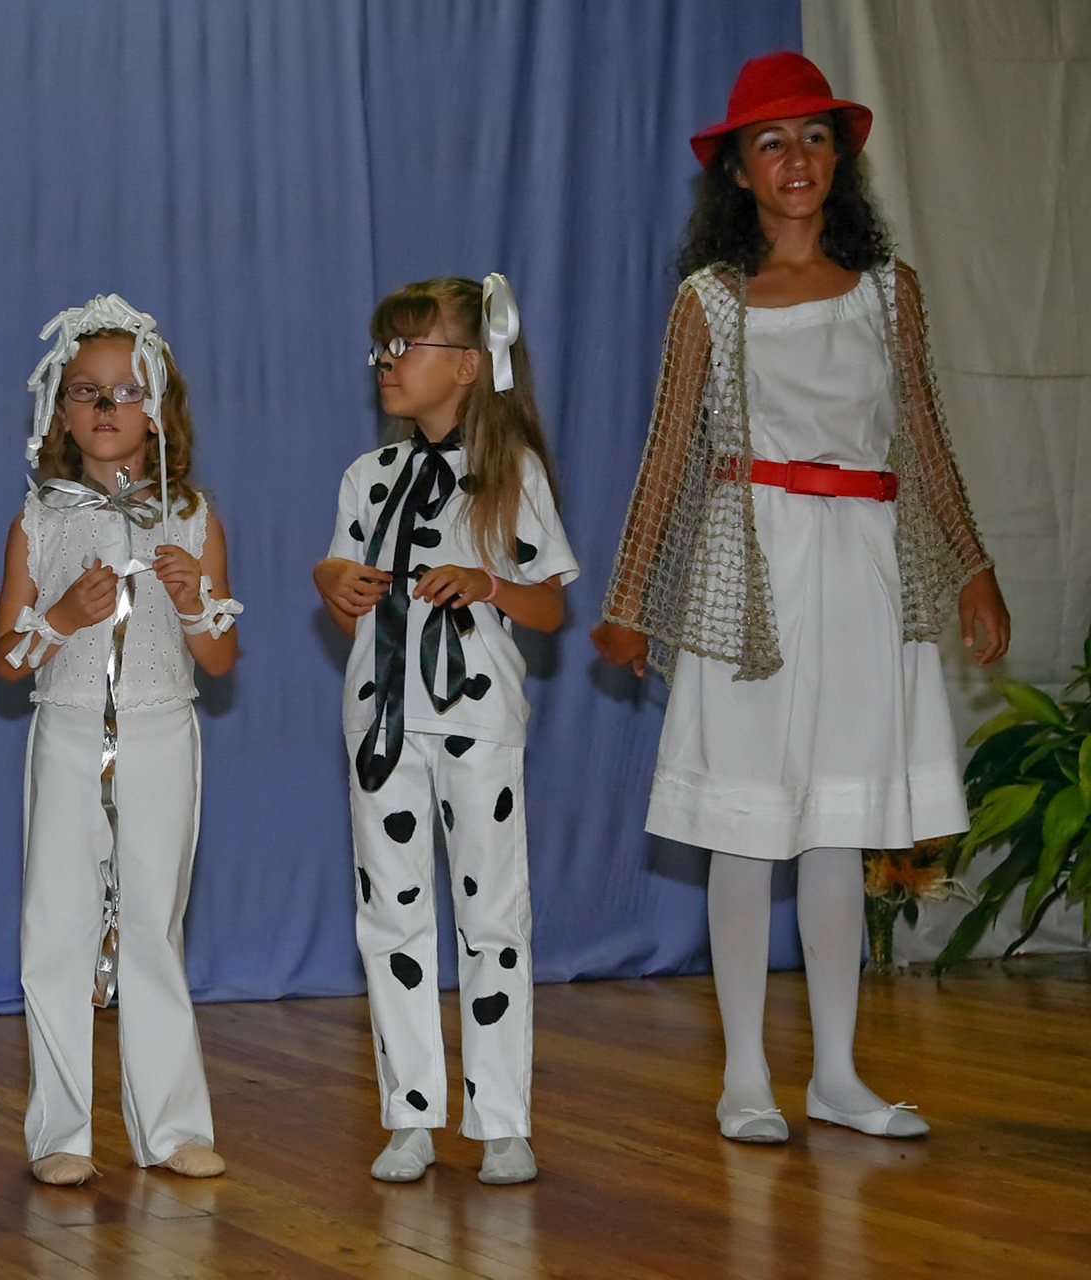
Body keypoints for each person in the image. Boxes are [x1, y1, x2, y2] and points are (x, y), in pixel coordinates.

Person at [591, 52, 1011, 1143]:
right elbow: (669, 453)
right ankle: (742, 1073)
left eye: (815, 138)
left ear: (842, 159)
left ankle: (836, 1071)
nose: (796, 160)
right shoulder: (711, 305)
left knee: (836, 825)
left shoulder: (887, 294)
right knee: (746, 822)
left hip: (865, 569)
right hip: (751, 573)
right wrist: (633, 593)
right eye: (771, 142)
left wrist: (970, 563)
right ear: (737, 169)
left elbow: (921, 432)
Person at [314, 274, 576, 1185]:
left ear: (467, 367)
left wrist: (489, 583)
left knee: (492, 913)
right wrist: (332, 581)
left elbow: (549, 607)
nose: (387, 365)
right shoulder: (366, 476)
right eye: (382, 349)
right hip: (381, 717)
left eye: (407, 348)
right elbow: (349, 577)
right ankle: (411, 1112)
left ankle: (502, 1117)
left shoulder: (511, 475)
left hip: (476, 717)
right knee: (391, 912)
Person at [0, 294, 241, 1186]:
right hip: (65, 734)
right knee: (56, 928)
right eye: (87, 393)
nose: (105, 409)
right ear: (61, 411)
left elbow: (219, 657)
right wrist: (60, 616)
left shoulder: (195, 517)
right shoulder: (41, 519)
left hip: (162, 730)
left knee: (152, 928)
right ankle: (59, 1132)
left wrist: (186, 596)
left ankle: (171, 1127)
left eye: (126, 393)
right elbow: (9, 659)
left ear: (159, 410)